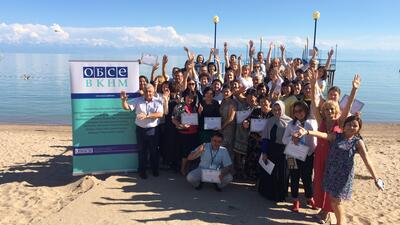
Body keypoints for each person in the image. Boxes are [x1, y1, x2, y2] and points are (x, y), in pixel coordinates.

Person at [295, 116, 384, 225]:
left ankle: (340, 223)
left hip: (343, 176)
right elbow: (323, 135)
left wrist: (376, 177)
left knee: (336, 200)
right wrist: (307, 132)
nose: (351, 127)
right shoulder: (336, 136)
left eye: (355, 125)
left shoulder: (357, 142)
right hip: (330, 173)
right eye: (349, 124)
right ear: (344, 126)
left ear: (359, 128)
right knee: (333, 200)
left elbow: (367, 160)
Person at [120, 84, 163, 179]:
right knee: (142, 151)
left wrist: (147, 116)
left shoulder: (157, 101)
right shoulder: (138, 100)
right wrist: (123, 101)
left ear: (153, 91)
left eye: (150, 91)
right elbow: (127, 107)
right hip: (140, 130)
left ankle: (155, 170)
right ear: (144, 92)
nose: (148, 93)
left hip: (153, 130)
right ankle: (142, 171)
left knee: (154, 151)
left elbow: (160, 114)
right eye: (147, 91)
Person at [282, 101, 318, 212]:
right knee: (294, 177)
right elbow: (284, 139)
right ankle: (295, 200)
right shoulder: (291, 124)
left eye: (300, 110)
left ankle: (309, 197)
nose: (298, 113)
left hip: (307, 154)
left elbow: (315, 139)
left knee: (307, 178)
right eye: (296, 111)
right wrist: (292, 138)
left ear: (306, 110)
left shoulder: (312, 123)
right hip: (293, 154)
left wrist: (310, 152)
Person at [258, 101, 292, 202]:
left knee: (282, 173)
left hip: (284, 151)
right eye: (275, 109)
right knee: (270, 172)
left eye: (279, 109)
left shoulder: (290, 122)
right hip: (271, 149)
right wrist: (264, 152)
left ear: (283, 109)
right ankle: (268, 193)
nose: (277, 112)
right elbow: (265, 138)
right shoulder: (270, 121)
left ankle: (280, 195)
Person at [171, 93, 199, 175]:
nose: (190, 99)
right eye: (188, 97)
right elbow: (173, 119)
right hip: (184, 133)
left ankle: (187, 168)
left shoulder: (195, 107)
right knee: (185, 152)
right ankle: (183, 169)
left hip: (194, 133)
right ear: (185, 97)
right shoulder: (179, 106)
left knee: (191, 152)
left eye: (192, 98)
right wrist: (179, 125)